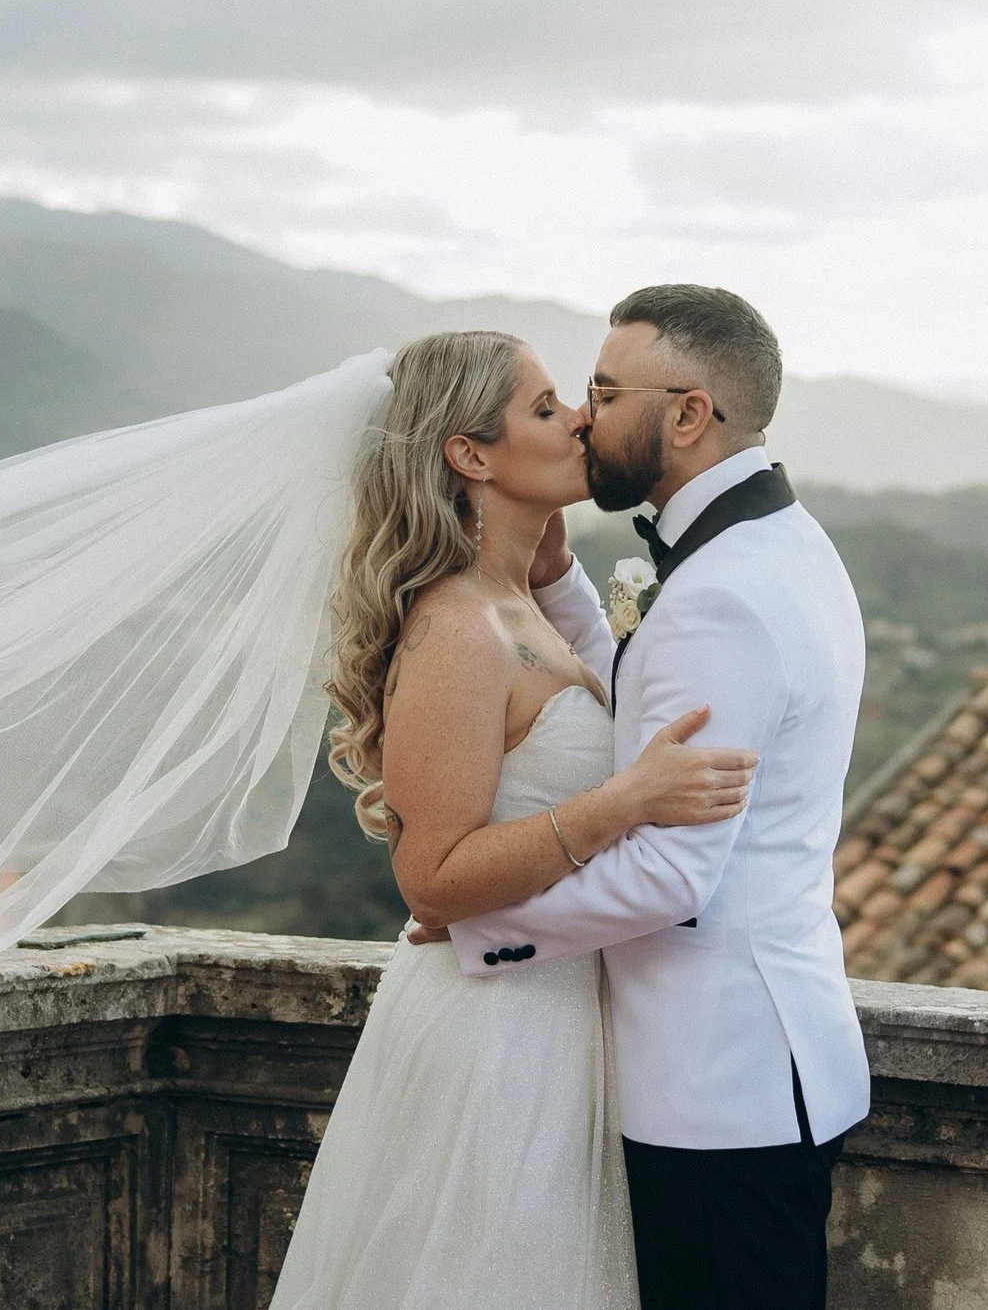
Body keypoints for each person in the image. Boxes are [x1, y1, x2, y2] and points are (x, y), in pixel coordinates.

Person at [267, 329, 759, 1310]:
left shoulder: (518, 598)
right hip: (488, 1038)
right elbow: (432, 877)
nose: (579, 415)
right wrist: (625, 799)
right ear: (469, 453)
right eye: (545, 407)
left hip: (554, 1020)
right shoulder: (457, 624)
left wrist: (547, 552)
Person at [437, 286, 870, 1310]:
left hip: (715, 1082)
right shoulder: (781, 544)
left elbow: (673, 876)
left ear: (687, 414)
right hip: (772, 1056)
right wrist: (560, 588)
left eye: (602, 390)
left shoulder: (716, 591)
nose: (584, 417)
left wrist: (482, 923)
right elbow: (649, 692)